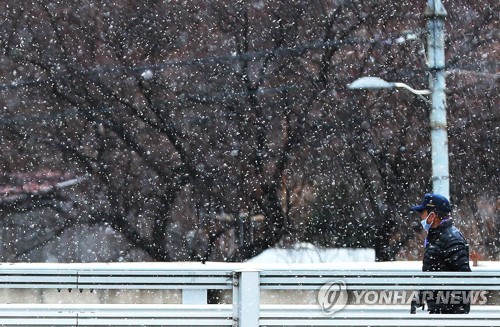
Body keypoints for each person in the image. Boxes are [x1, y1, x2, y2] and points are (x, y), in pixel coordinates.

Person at [409, 193, 471, 314]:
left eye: (423, 213)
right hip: (439, 310)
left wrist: (454, 311)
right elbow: (432, 273)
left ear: (432, 216)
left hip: (448, 313)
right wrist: (422, 295)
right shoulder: (436, 237)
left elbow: (464, 278)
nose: (421, 217)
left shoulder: (451, 239)